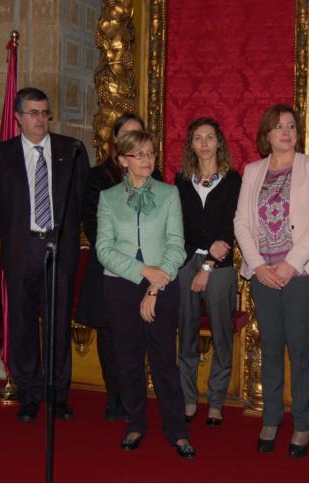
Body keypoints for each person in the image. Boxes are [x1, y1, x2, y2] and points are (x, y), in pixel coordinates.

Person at [233, 104, 309, 458]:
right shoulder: (252, 170)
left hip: (301, 274)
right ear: (267, 134)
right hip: (263, 274)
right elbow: (241, 223)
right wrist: (258, 265)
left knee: (300, 350)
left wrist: (290, 265)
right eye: (279, 127)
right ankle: (272, 418)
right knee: (271, 348)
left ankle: (303, 424)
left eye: (291, 126)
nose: (286, 132)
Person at [0, 87, 89, 423]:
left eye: (45, 113)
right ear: (17, 117)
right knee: (24, 324)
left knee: (58, 324)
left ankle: (58, 395)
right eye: (33, 113)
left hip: (59, 246)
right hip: (21, 248)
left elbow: (81, 200)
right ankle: (29, 393)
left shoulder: (71, 150)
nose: (41, 119)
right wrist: (19, 232)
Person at [95, 130, 195, 458]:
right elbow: (104, 250)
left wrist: (155, 283)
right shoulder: (108, 197)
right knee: (129, 361)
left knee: (165, 362)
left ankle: (177, 431)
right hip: (121, 286)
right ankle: (135, 423)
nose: (147, 160)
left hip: (163, 285)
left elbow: (177, 245)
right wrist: (141, 271)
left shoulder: (168, 194)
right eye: (139, 154)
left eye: (151, 153)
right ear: (123, 160)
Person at [78, 112, 162, 421]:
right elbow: (93, 224)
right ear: (115, 142)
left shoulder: (156, 176)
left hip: (147, 270)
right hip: (108, 268)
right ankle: (115, 395)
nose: (133, 141)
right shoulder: (97, 177)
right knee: (111, 336)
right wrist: (125, 261)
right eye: (127, 135)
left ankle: (134, 395)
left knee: (138, 335)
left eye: (139, 135)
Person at [175, 117, 241, 426]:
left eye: (209, 137)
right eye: (198, 137)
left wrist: (210, 264)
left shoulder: (232, 180)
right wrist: (204, 251)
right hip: (187, 262)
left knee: (221, 333)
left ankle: (216, 400)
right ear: (191, 144)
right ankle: (188, 398)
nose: (204, 142)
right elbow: (182, 228)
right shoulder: (180, 180)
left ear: (219, 143)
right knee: (186, 331)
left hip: (222, 266)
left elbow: (228, 227)